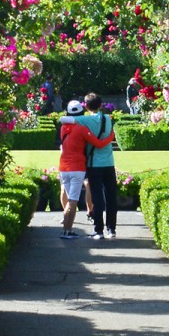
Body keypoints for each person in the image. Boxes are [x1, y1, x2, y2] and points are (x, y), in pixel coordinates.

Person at [57, 100, 113, 238]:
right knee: (73, 201)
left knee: (68, 196)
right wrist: (111, 136)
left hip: (63, 167)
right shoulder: (82, 129)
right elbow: (99, 144)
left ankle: (67, 229)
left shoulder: (63, 128)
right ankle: (67, 230)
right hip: (77, 167)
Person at [69, 99, 121, 240]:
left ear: (86, 106)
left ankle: (99, 230)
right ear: (100, 105)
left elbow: (66, 119)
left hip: (94, 164)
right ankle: (112, 229)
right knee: (111, 197)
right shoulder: (107, 118)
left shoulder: (85, 120)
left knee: (97, 198)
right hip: (109, 163)